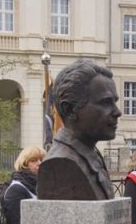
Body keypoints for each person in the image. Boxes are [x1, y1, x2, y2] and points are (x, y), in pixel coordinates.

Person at [37, 59, 120, 200]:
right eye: (105, 103)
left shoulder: (91, 153)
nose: (117, 112)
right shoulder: (60, 164)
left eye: (114, 102)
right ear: (69, 109)